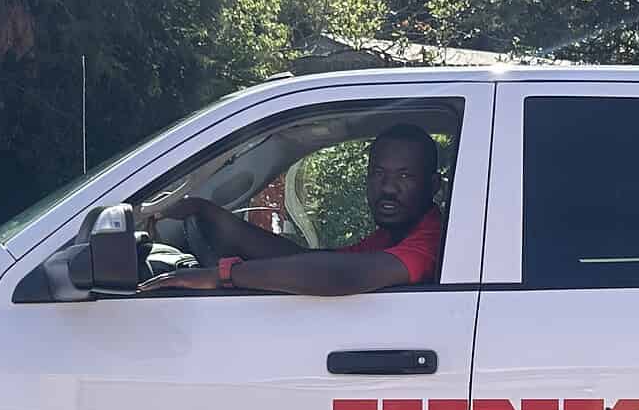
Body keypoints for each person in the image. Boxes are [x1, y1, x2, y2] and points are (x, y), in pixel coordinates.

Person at [136, 124, 444, 295]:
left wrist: (224, 275)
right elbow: (316, 263)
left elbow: (340, 276)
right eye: (379, 174)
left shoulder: (433, 242)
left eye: (405, 176)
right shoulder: (393, 237)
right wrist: (209, 214)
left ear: (433, 186)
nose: (388, 188)